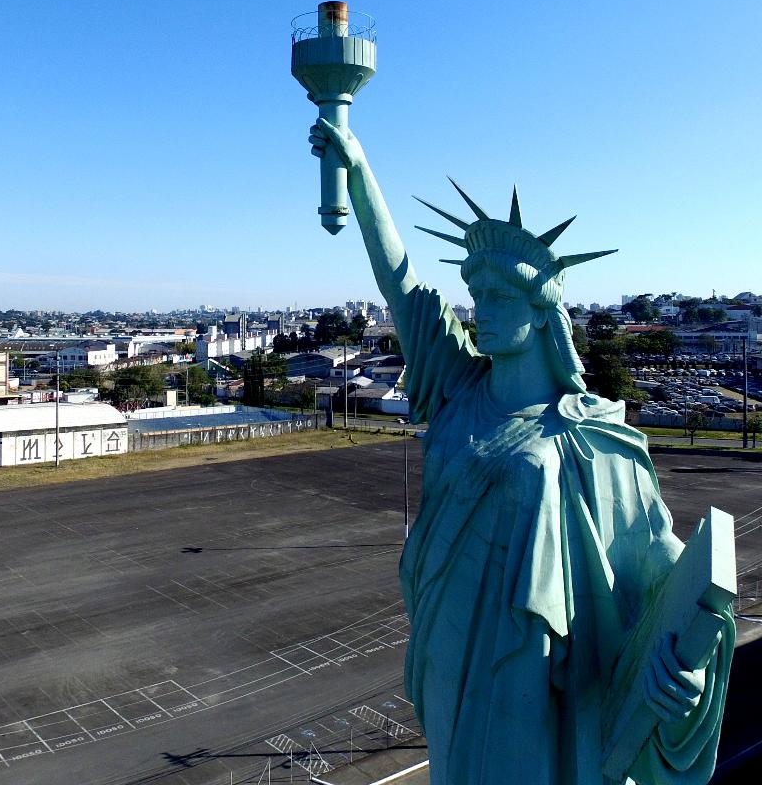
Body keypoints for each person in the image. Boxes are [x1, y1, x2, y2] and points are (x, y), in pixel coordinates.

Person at [309, 119, 733, 785]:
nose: (480, 309)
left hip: (531, 681)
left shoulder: (590, 435)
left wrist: (689, 665)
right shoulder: (457, 388)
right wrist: (359, 172)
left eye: (499, 296)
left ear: (541, 311)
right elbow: (402, 285)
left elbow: (659, 568)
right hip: (447, 653)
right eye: (476, 295)